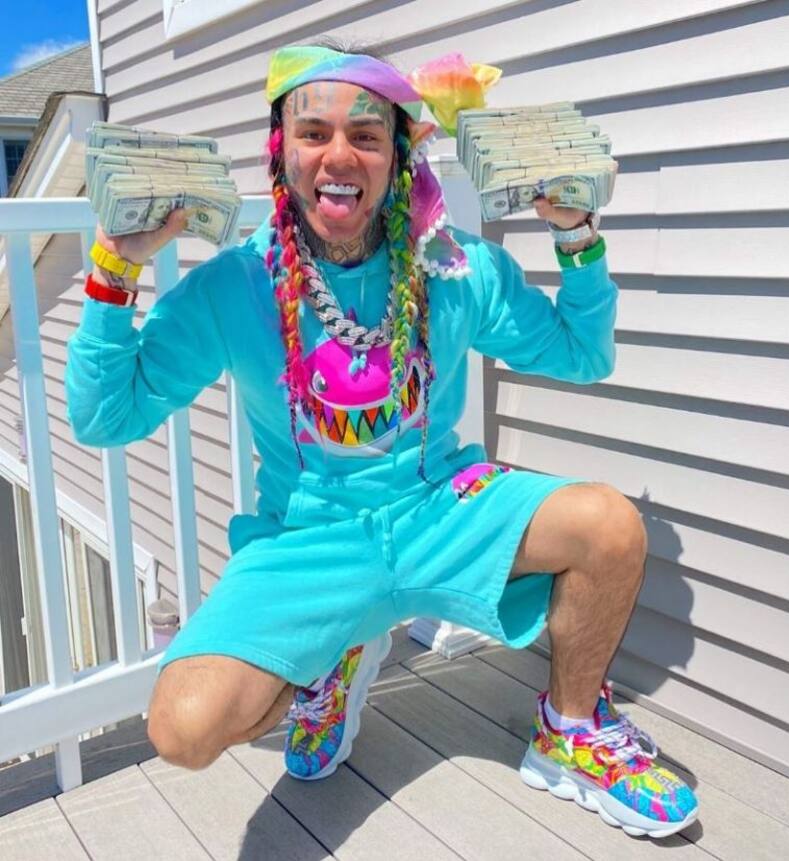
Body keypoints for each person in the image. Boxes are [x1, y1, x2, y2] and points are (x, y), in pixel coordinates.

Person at [65, 41, 698, 839]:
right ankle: (329, 662)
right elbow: (105, 416)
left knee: (609, 526)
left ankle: (571, 731)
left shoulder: (456, 267)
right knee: (183, 728)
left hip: (442, 509)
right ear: (281, 151)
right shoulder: (236, 285)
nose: (339, 155)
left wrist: (577, 236)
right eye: (314, 132)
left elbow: (583, 353)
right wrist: (114, 269)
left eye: (366, 135)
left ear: (398, 155)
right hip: (310, 540)